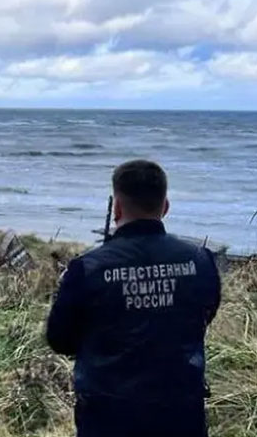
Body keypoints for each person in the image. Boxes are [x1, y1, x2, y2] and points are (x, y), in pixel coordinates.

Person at [47, 160, 221, 437]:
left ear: (116, 208)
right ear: (165, 206)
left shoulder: (88, 268)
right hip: (180, 412)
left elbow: (59, 339)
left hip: (108, 415)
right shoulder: (201, 261)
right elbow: (203, 315)